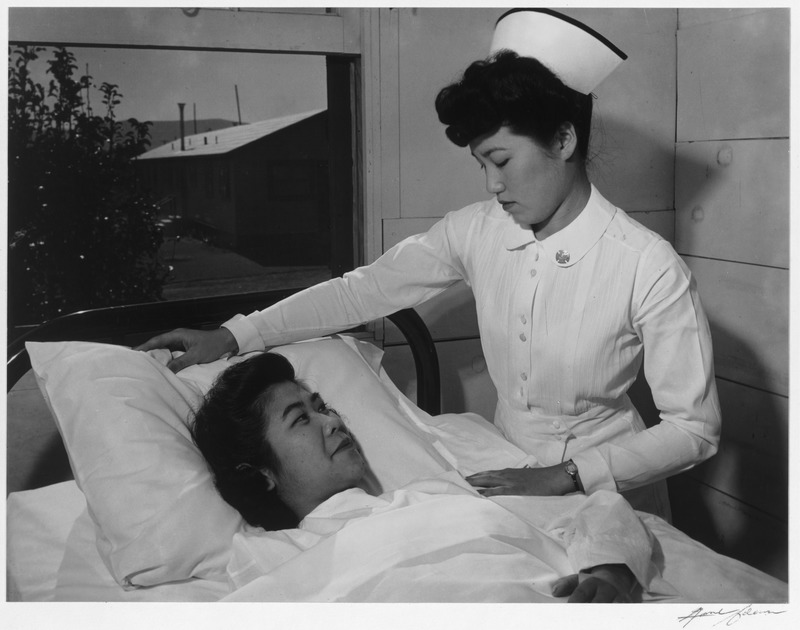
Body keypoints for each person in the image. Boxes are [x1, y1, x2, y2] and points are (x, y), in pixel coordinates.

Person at [138, 9, 721, 518]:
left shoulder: (648, 265)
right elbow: (359, 292)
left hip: (616, 491)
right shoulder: (477, 231)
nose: (493, 184)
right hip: (505, 471)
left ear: (564, 140)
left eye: (502, 160)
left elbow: (694, 430)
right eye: (481, 165)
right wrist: (235, 334)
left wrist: (569, 476)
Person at [192, 351, 644, 603]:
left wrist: (610, 570)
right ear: (261, 473)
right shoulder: (270, 556)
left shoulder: (438, 490)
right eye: (300, 419)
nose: (331, 421)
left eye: (322, 406)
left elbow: (594, 510)